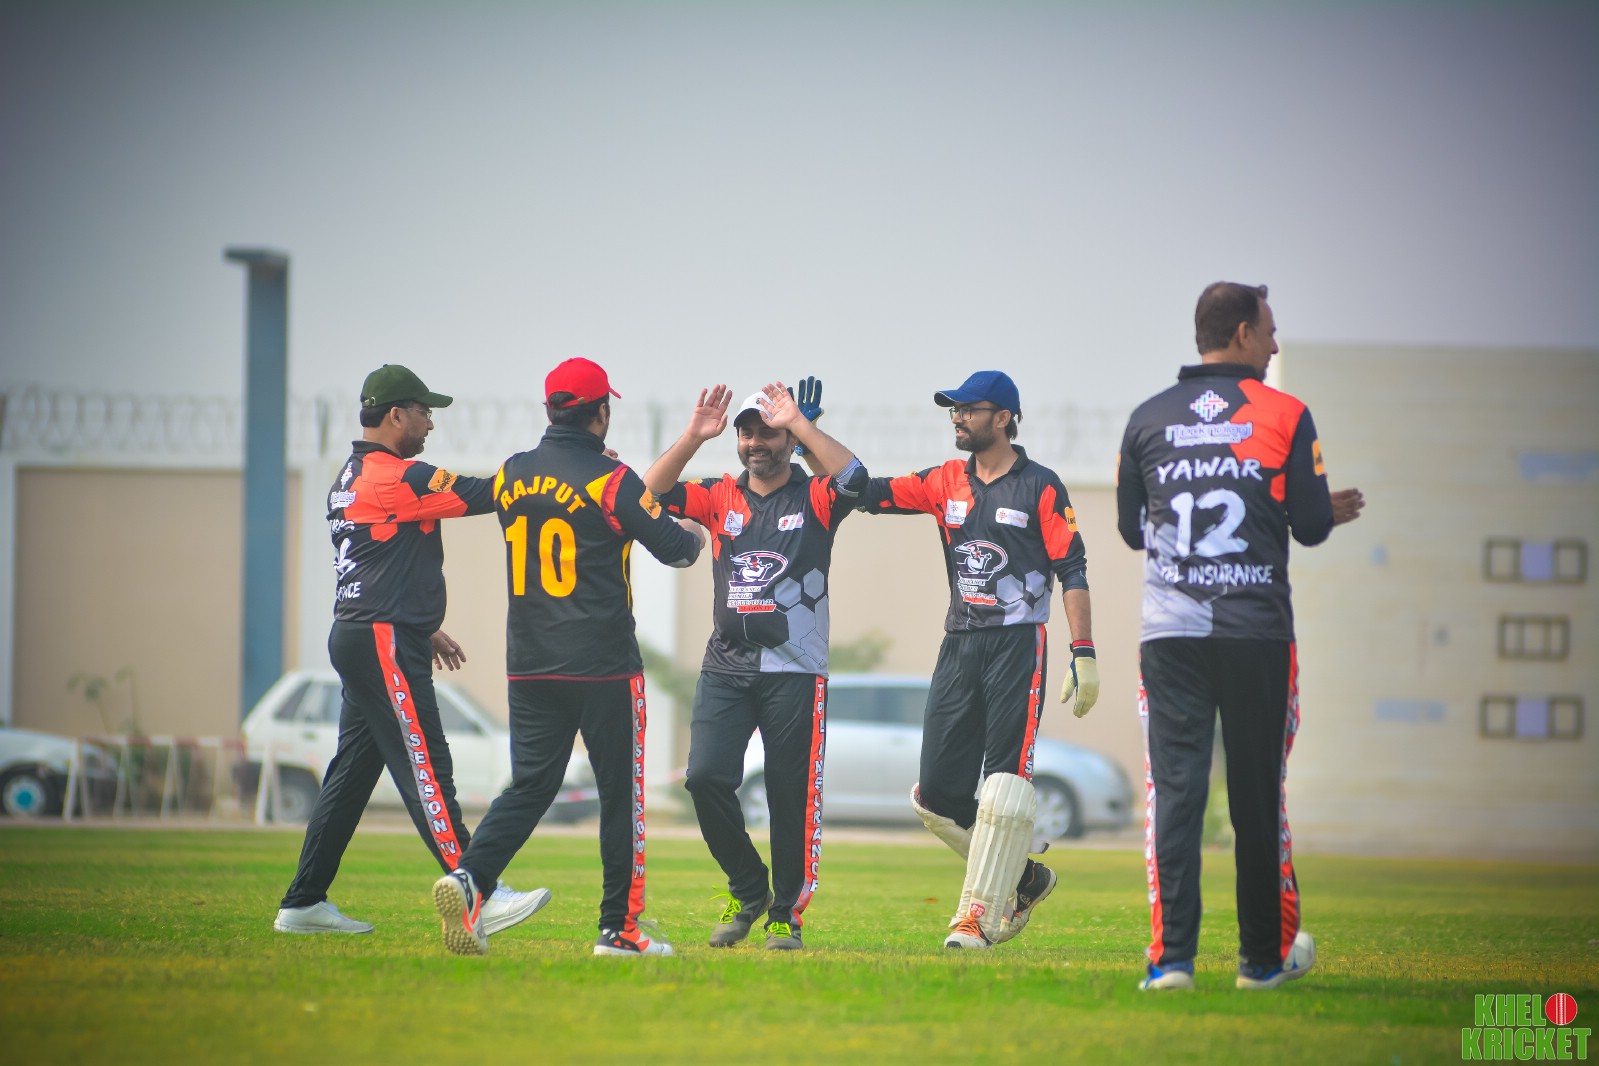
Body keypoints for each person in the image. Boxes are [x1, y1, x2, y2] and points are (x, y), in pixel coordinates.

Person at [1118, 282, 1365, 991]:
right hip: (1255, 630)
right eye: (1270, 331)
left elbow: (1130, 530)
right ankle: (1261, 961)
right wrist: (1301, 510)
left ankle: (1171, 962)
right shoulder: (1285, 413)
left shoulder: (1146, 417)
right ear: (1241, 334)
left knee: (1176, 795)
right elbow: (1310, 526)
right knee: (1257, 798)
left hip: (1170, 634)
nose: (1275, 344)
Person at [432, 357, 705, 958]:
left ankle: (470, 877)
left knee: (530, 785)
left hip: (529, 663)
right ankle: (619, 930)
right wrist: (697, 530)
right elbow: (679, 551)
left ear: (551, 410)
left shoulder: (512, 473)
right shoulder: (612, 479)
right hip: (603, 664)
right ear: (601, 412)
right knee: (620, 797)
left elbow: (494, 496)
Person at [275, 364, 549, 938]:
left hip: (362, 633)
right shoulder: (401, 476)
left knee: (350, 776)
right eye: (425, 413)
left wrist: (421, 628)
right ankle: (477, 891)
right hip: (382, 640)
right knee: (427, 765)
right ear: (396, 415)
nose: (430, 424)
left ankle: (303, 902)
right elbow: (490, 494)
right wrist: (558, 465)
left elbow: (376, 562)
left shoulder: (349, 476)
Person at [854, 370, 1099, 949]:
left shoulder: (1040, 485)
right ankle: (1025, 878)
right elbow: (864, 489)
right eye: (954, 410)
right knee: (935, 795)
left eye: (969, 409)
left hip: (1018, 646)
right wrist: (804, 432)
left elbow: (1072, 569)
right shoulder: (944, 481)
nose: (958, 418)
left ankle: (977, 919)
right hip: (959, 643)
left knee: (1003, 788)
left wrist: (1083, 651)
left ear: (1004, 418)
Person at [642, 380, 867, 951]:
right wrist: (694, 436)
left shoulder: (816, 496)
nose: (754, 443)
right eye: (746, 433)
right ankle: (748, 888)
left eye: (767, 432)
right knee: (704, 779)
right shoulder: (718, 494)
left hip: (796, 670)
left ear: (788, 439)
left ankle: (785, 915)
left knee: (790, 798)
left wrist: (802, 425)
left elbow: (856, 478)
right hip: (726, 666)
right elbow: (646, 492)